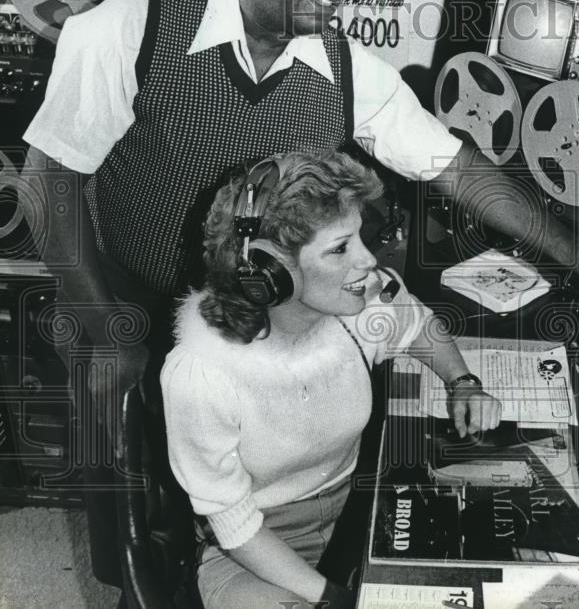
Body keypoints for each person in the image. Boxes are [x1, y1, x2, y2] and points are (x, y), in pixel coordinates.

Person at [18, 0, 579, 587]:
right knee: (132, 516)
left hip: (271, 313)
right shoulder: (129, 30)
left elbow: (454, 166)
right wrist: (107, 326)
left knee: (253, 496)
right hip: (129, 296)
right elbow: (48, 184)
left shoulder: (351, 71)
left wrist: (575, 253)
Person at [162, 148, 502, 608]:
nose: (367, 260)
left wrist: (462, 381)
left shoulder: (356, 306)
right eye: (340, 248)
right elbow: (233, 524)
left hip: (359, 512)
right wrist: (331, 597)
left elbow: (418, 324)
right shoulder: (201, 375)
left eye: (360, 237)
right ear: (271, 274)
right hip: (254, 547)